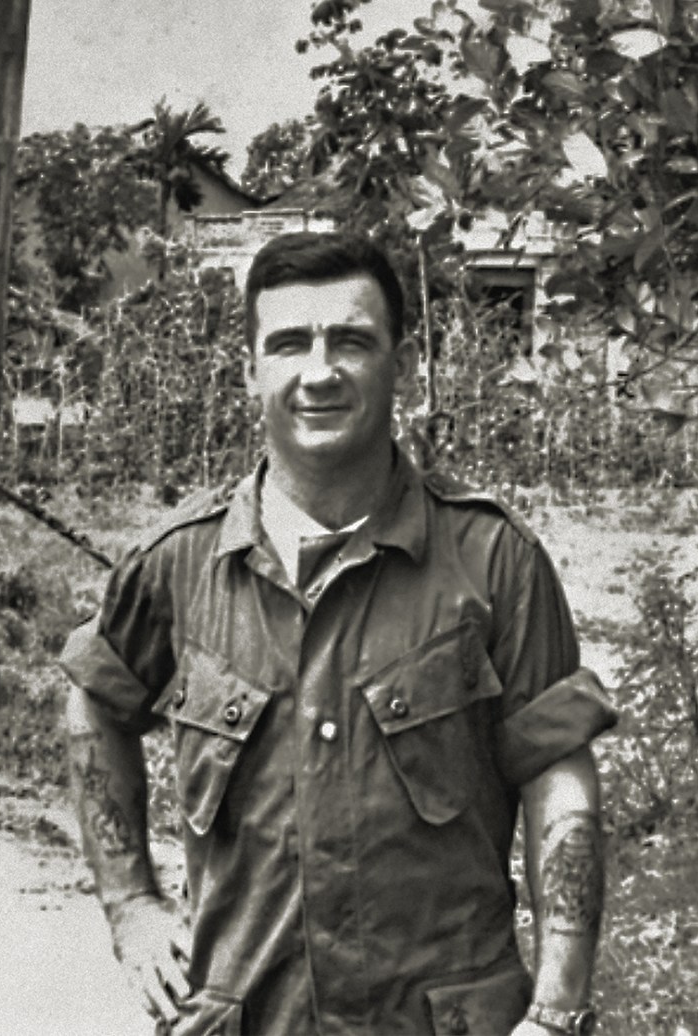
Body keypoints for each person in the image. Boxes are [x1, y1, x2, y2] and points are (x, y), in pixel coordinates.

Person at [59, 231, 618, 1036]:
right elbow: (96, 705)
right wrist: (130, 906)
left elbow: (557, 774)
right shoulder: (178, 564)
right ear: (250, 369)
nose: (318, 372)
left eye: (351, 341)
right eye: (288, 343)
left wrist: (559, 1010)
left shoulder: (493, 560)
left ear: (404, 364)